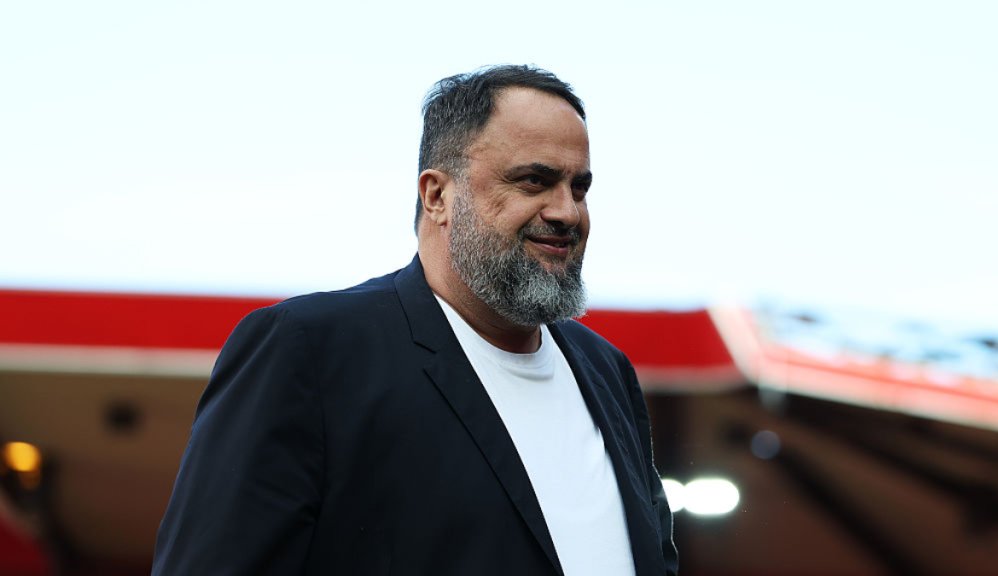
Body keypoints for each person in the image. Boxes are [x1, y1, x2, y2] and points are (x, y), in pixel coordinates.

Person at [152, 65, 678, 576]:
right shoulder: (310, 351)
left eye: (579, 188)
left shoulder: (606, 371)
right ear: (437, 195)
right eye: (533, 181)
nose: (566, 212)